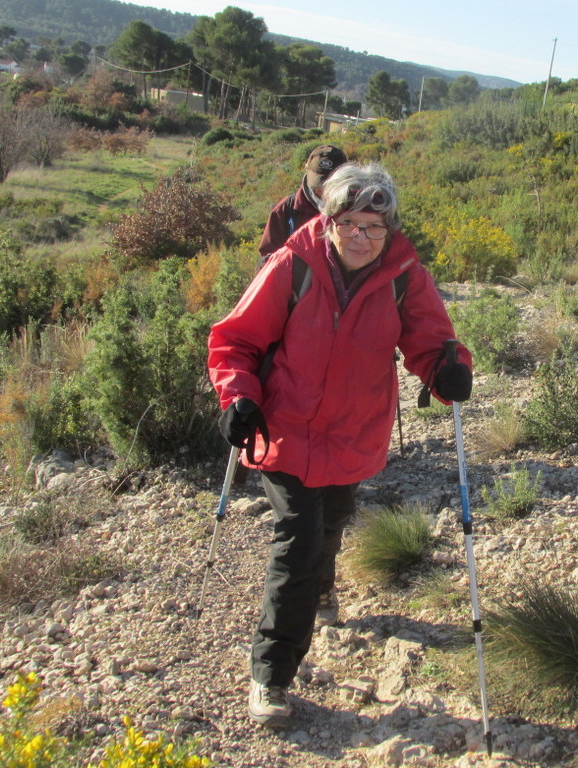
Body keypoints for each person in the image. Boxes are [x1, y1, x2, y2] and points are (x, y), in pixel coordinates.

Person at [207, 162, 473, 727]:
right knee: (298, 544)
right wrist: (237, 398)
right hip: (285, 429)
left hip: (353, 433)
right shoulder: (293, 265)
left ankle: (322, 592)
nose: (362, 237)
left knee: (329, 527)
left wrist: (446, 373)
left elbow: (432, 342)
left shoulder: (404, 274)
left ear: (390, 228)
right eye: (350, 223)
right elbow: (235, 341)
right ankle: (272, 676)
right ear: (328, 220)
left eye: (375, 226)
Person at [257, 144, 348, 261]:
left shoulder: (357, 210)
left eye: (330, 184)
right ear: (307, 172)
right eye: (318, 183)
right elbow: (267, 259)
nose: (322, 189)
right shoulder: (286, 210)